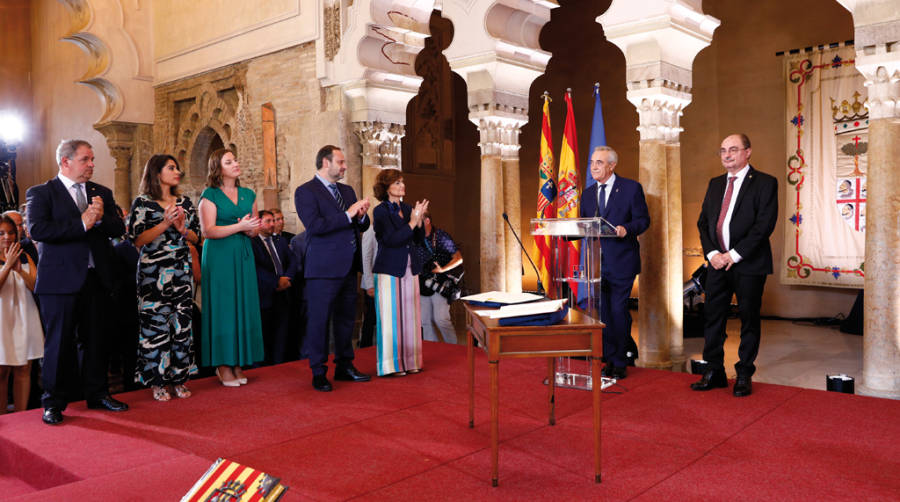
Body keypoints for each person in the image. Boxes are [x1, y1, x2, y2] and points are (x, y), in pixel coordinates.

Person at [26, 139, 128, 425]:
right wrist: (82, 222)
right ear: (66, 162)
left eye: (92, 159)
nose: (92, 165)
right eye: (86, 159)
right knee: (59, 343)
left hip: (96, 279)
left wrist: (100, 218)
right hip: (59, 281)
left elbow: (119, 228)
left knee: (97, 340)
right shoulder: (42, 193)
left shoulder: (101, 193)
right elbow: (38, 229)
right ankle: (53, 403)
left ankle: (97, 393)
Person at [693, 134, 777, 397]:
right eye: (723, 151)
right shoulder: (716, 184)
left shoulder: (765, 182)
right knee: (713, 317)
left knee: (749, 318)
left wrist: (734, 254)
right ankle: (714, 371)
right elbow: (704, 223)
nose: (727, 155)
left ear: (748, 152)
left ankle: (743, 373)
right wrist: (713, 254)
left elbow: (764, 225)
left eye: (733, 150)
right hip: (717, 263)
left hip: (748, 263)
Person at [294, 145, 371, 392]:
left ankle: (345, 365)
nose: (344, 166)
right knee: (319, 322)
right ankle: (318, 371)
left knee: (346, 320)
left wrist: (361, 216)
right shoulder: (306, 191)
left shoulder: (347, 190)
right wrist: (348, 215)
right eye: (340, 161)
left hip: (348, 266)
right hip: (322, 269)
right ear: (325, 163)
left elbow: (361, 225)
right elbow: (314, 226)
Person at [127, 154, 201, 400]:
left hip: (180, 271)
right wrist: (165, 224)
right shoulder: (143, 203)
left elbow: (197, 237)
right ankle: (157, 382)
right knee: (155, 328)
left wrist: (182, 229)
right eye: (171, 167)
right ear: (157, 173)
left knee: (182, 327)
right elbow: (137, 240)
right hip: (152, 275)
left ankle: (180, 378)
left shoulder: (186, 202)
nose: (177, 171)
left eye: (177, 167)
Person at [579, 146, 649, 380]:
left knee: (618, 310)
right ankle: (608, 357)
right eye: (592, 162)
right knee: (603, 312)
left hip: (622, 262)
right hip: (596, 264)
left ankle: (621, 360)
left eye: (599, 162)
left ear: (612, 165)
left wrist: (625, 229)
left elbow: (643, 220)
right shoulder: (587, 194)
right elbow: (583, 224)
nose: (594, 167)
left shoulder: (630, 189)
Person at [198, 148, 264, 387]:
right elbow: (208, 231)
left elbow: (255, 228)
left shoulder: (248, 193)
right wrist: (238, 227)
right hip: (220, 256)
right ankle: (223, 364)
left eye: (235, 159)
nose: (236, 163)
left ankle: (239, 361)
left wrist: (249, 229)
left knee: (243, 306)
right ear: (218, 168)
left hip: (243, 254)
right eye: (229, 161)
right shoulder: (210, 194)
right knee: (224, 308)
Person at [371, 169, 428, 376]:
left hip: (410, 266)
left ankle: (412, 362)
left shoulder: (407, 207)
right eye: (396, 183)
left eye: (402, 182)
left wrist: (419, 220)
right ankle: (390, 365)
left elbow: (419, 239)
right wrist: (412, 222)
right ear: (386, 188)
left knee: (411, 318)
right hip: (389, 268)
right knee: (391, 319)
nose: (402, 186)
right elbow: (391, 240)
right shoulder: (380, 211)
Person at [0, 215, 43, 413]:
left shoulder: (24, 255)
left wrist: (19, 270)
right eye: (1, 233)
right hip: (3, 317)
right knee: (2, 370)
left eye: (10, 232)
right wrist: (7, 266)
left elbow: (36, 286)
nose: (7, 237)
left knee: (24, 368)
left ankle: (21, 416)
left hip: (25, 315)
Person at [250, 209, 298, 365]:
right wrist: (276, 282)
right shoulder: (253, 243)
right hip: (265, 294)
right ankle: (263, 366)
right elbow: (256, 268)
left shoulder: (280, 241)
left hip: (283, 294)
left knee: (282, 333)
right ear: (259, 223)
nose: (273, 224)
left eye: (274, 221)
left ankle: (280, 365)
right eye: (268, 221)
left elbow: (293, 261)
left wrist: (287, 278)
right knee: (265, 334)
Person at [415, 212, 462, 344]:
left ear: (427, 221)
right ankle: (434, 350)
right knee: (424, 320)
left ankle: (454, 349)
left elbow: (458, 258)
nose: (415, 223)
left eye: (418, 220)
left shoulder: (441, 236)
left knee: (441, 319)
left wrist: (442, 269)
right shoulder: (414, 237)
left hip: (439, 282)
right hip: (422, 282)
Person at [358, 226, 377, 348]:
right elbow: (366, 258)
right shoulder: (371, 230)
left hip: (386, 281)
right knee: (370, 317)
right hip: (372, 283)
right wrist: (370, 284)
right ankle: (365, 346)